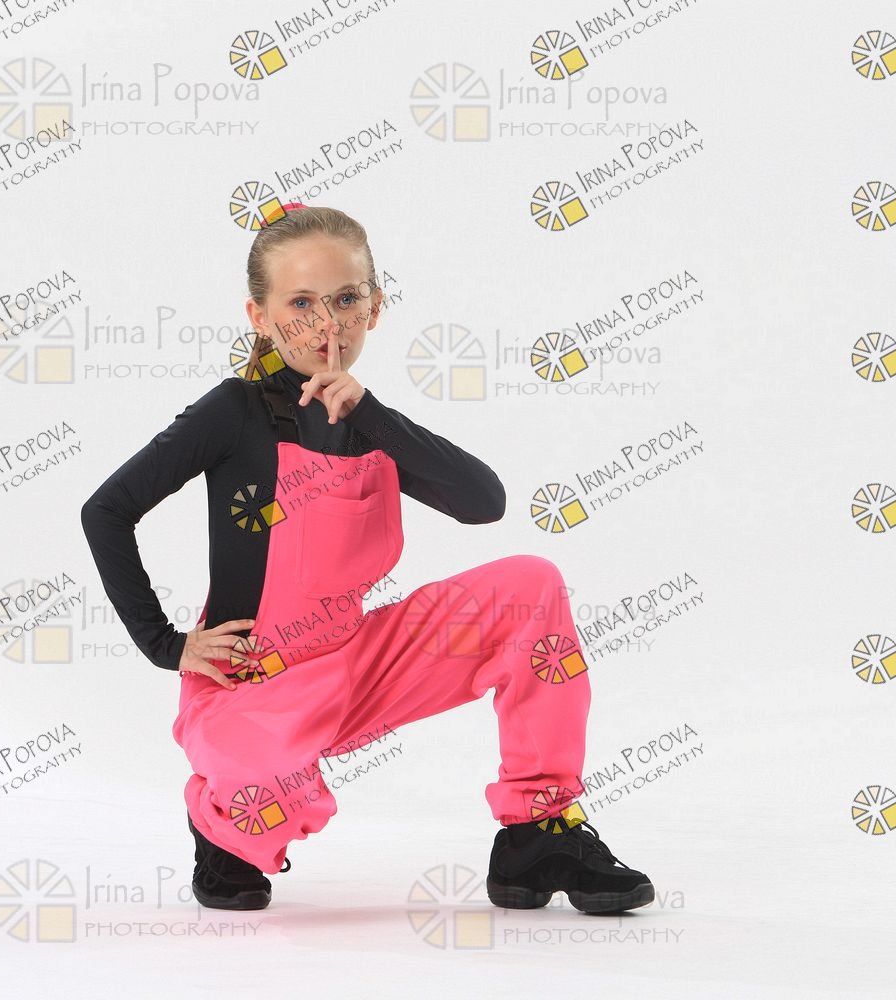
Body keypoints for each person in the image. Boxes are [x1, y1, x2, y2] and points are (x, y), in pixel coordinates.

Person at [80, 203, 654, 914]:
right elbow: (106, 512)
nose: (327, 324)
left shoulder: (366, 423)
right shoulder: (234, 411)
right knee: (264, 781)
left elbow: (484, 502)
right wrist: (167, 647)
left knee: (530, 586)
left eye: (347, 299)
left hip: (359, 664)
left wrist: (373, 416)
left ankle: (539, 834)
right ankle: (221, 826)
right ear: (260, 317)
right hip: (255, 687)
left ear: (375, 308)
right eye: (301, 304)